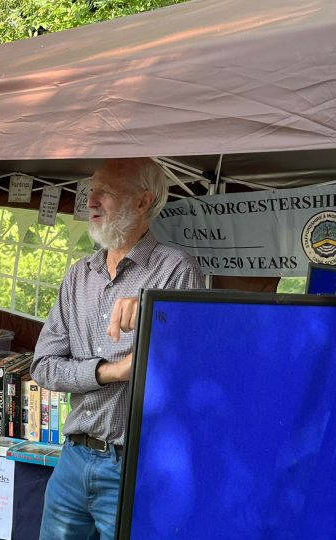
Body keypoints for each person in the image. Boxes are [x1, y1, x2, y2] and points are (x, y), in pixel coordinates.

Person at [30, 158, 205, 540]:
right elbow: (42, 366)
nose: (90, 201)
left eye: (104, 192)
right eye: (90, 190)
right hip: (73, 460)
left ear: (143, 202)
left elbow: (192, 373)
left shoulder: (177, 271)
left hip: (137, 467)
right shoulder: (79, 274)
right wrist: (109, 371)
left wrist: (153, 314)